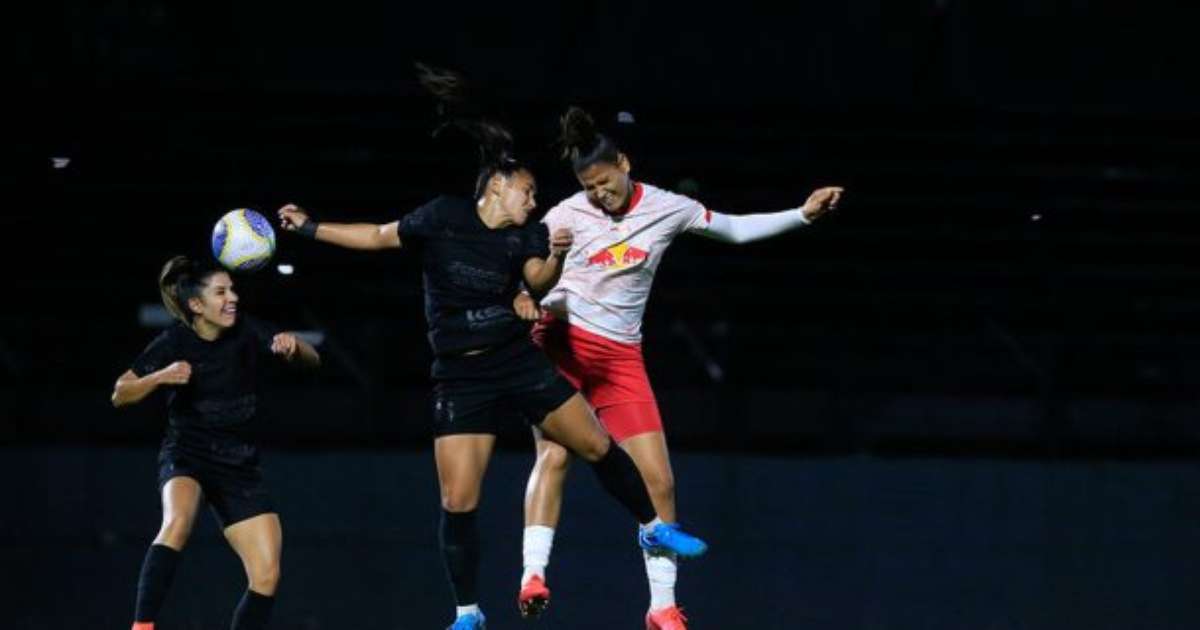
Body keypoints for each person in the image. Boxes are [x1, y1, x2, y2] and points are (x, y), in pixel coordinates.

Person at [275, 65, 706, 630]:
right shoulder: (441, 217)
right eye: (528, 192)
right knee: (457, 501)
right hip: (461, 378)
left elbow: (539, 279)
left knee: (598, 446)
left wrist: (551, 260)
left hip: (519, 363)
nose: (535, 202)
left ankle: (651, 523)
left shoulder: (527, 234)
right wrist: (311, 229)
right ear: (497, 185)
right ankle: (469, 613)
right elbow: (378, 235)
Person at [515, 106, 843, 630]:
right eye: (590, 187)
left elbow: (733, 230)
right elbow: (524, 268)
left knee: (659, 482)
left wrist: (801, 214)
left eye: (605, 182)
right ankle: (534, 575)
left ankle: (661, 607)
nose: (600, 194)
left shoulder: (668, 208)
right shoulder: (565, 214)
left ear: (624, 163)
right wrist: (521, 295)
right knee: (555, 455)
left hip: (621, 358)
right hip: (562, 347)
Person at [112, 255, 320, 630]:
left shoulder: (248, 330)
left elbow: (313, 359)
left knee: (267, 576)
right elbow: (120, 393)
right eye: (221, 291)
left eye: (233, 289)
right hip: (187, 454)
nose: (233, 298)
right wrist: (159, 376)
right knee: (177, 523)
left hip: (239, 466)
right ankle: (142, 627)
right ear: (196, 305)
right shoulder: (173, 341)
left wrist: (295, 347)